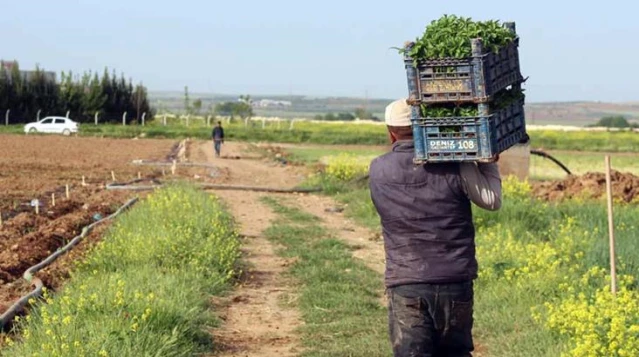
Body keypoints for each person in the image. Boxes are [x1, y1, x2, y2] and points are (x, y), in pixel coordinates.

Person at [368, 98, 502, 357]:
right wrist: (487, 159)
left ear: (391, 133)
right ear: (425, 126)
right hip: (455, 278)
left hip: (407, 281)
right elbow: (492, 200)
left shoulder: (378, 169)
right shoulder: (455, 163)